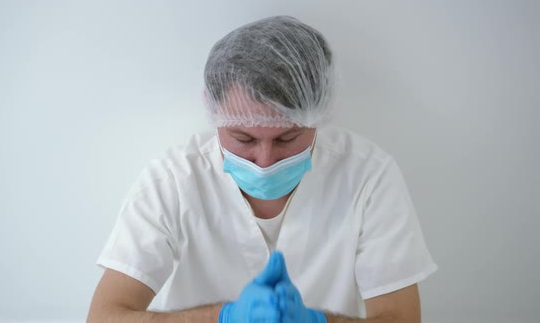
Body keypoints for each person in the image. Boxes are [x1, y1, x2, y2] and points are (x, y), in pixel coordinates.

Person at [87, 16, 437, 322]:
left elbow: (402, 318)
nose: (265, 161)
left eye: (288, 138)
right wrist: (223, 318)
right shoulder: (172, 181)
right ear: (214, 115)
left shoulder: (368, 176)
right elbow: (104, 317)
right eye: (243, 137)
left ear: (319, 116)